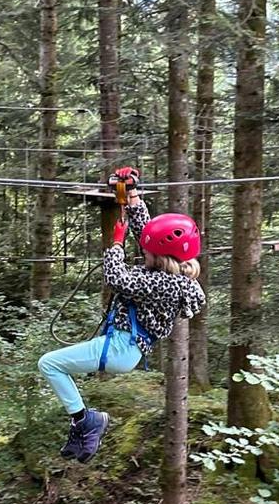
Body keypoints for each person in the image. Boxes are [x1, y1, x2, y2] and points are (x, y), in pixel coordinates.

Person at [38, 166, 206, 463]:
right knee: (53, 365)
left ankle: (86, 421)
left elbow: (117, 279)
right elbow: (148, 234)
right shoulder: (172, 276)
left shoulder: (163, 283)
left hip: (120, 347)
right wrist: (132, 194)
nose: (144, 252)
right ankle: (82, 427)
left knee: (49, 364)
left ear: (161, 257)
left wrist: (116, 243)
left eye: (148, 251)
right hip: (123, 346)